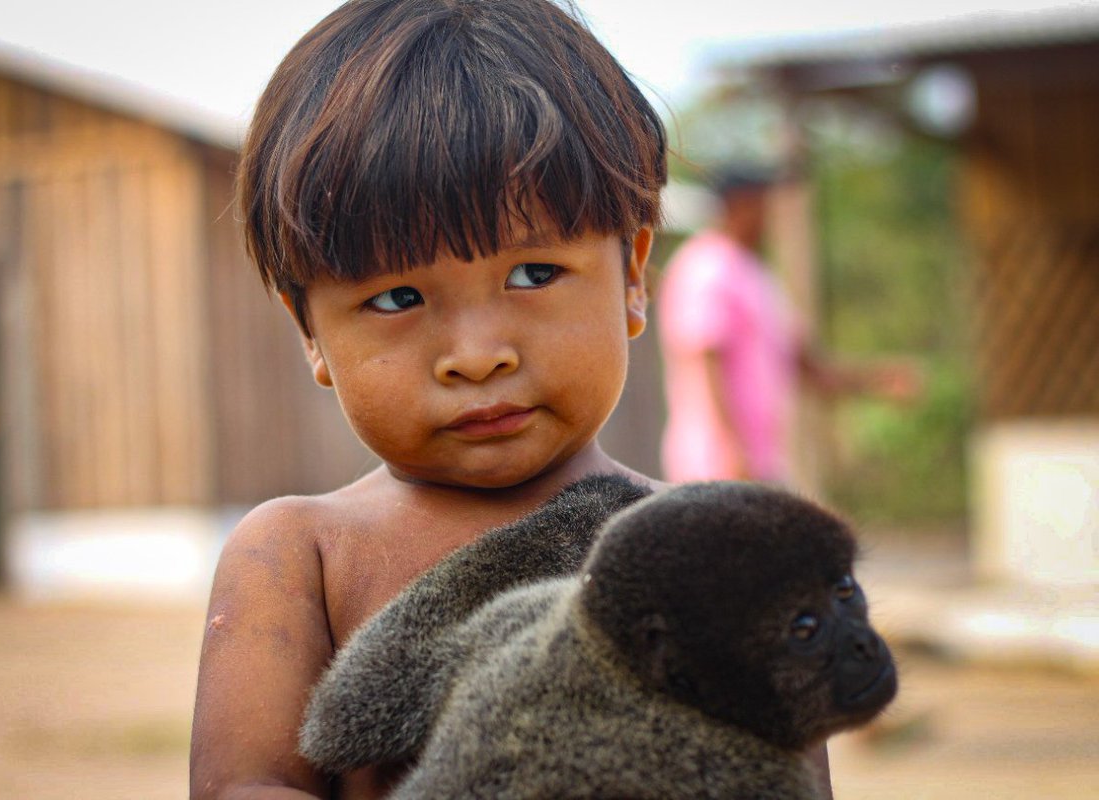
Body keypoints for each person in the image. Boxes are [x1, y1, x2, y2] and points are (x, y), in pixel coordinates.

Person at [189, 3, 830, 799]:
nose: (476, 355)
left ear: (633, 275)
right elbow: (243, 786)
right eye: (396, 297)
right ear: (310, 332)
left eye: (532, 275)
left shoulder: (723, 559)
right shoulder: (298, 555)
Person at [657, 168, 921, 484]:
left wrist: (877, 380)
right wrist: (733, 451)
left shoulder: (755, 274)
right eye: (763, 204)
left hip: (762, 464)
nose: (770, 216)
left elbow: (807, 366)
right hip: (717, 469)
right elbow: (707, 359)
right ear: (741, 204)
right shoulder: (705, 268)